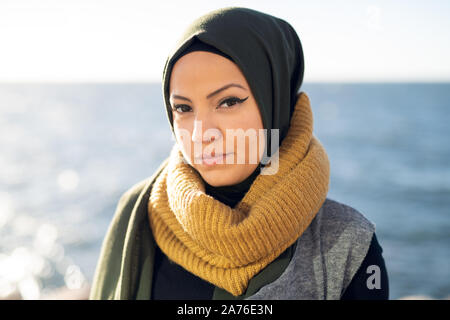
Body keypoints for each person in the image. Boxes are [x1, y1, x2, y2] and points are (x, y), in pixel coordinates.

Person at [89, 6, 389, 300]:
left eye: (228, 102)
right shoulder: (141, 213)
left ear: (275, 101)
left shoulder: (350, 241)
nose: (201, 133)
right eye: (183, 108)